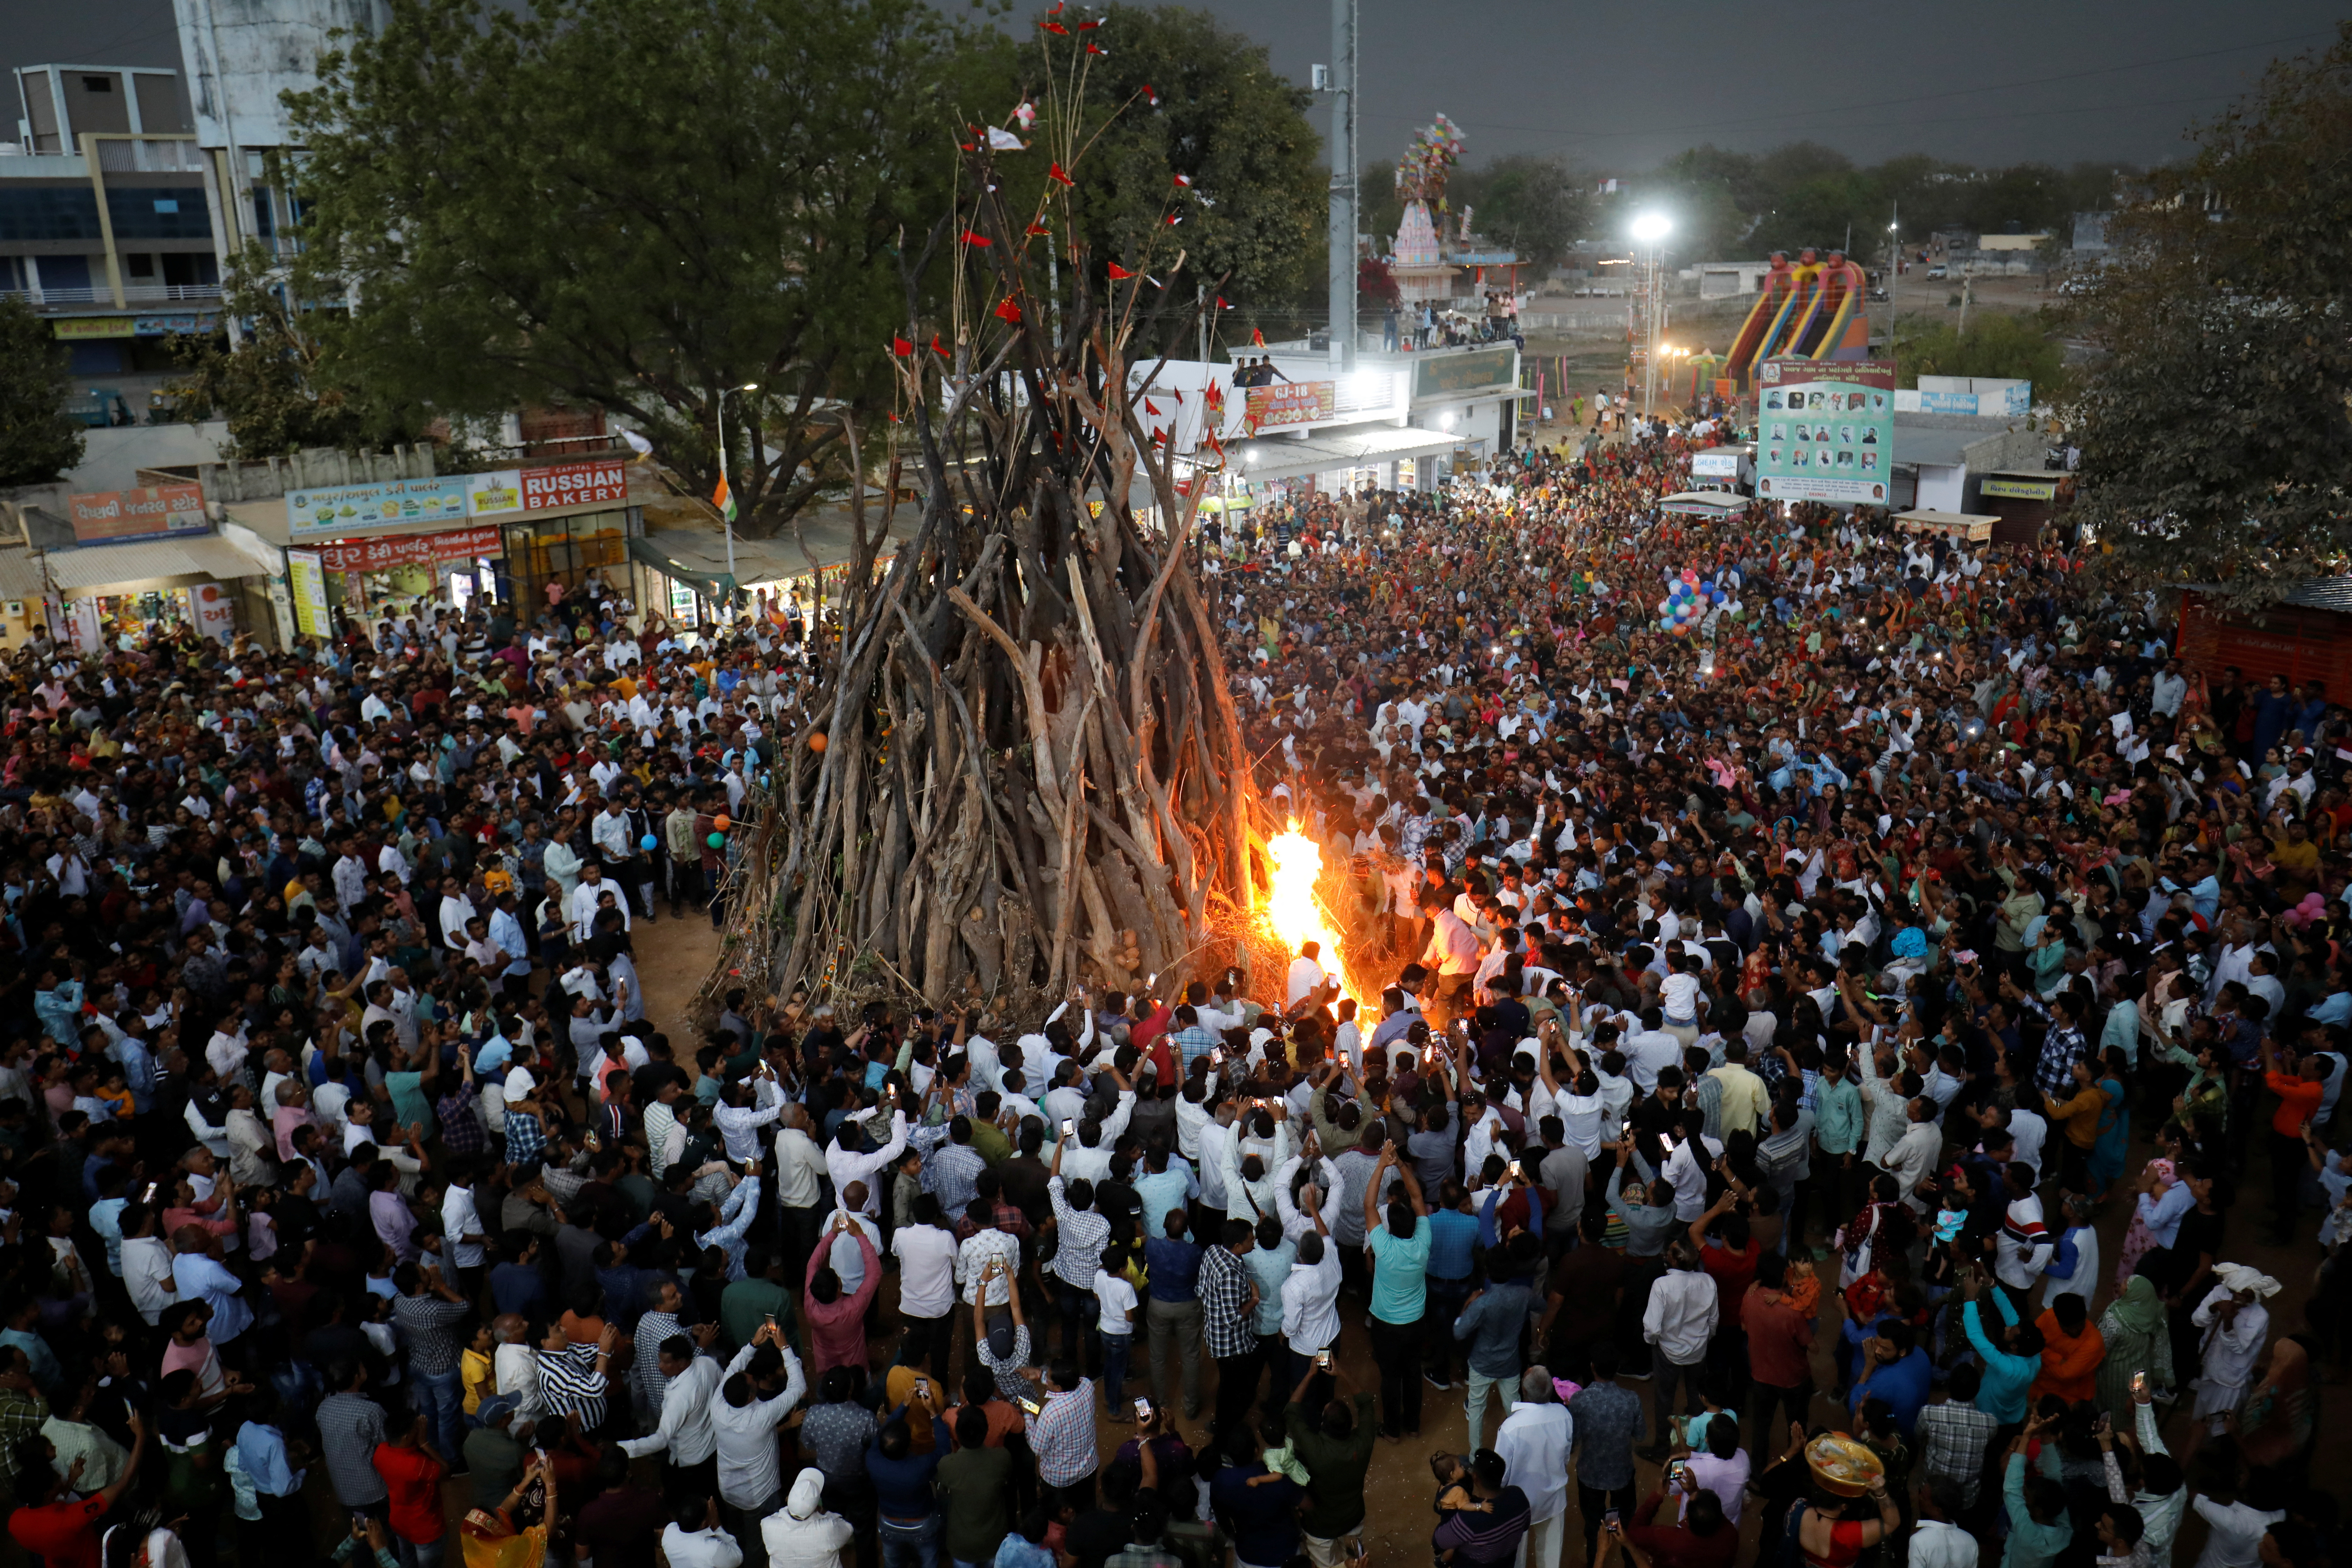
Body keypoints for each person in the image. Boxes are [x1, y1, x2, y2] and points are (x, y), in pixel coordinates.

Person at [1282, 1361, 1376, 1567]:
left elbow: (1291, 1411)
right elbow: (1366, 1404)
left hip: (1320, 1527)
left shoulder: (1315, 1449)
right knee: (1356, 1563)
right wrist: (1342, 1372)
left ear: (1323, 1425)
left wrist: (1309, 1375)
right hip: (1353, 1520)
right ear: (1350, 1424)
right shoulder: (1363, 1442)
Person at [1494, 1368, 1573, 1568]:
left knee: (1515, 1558)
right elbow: (1566, 1457)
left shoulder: (1511, 1427)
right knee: (1551, 1557)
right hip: (1554, 1497)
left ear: (1524, 1391)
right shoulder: (1563, 1414)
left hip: (1518, 1503)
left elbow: (1500, 1475)